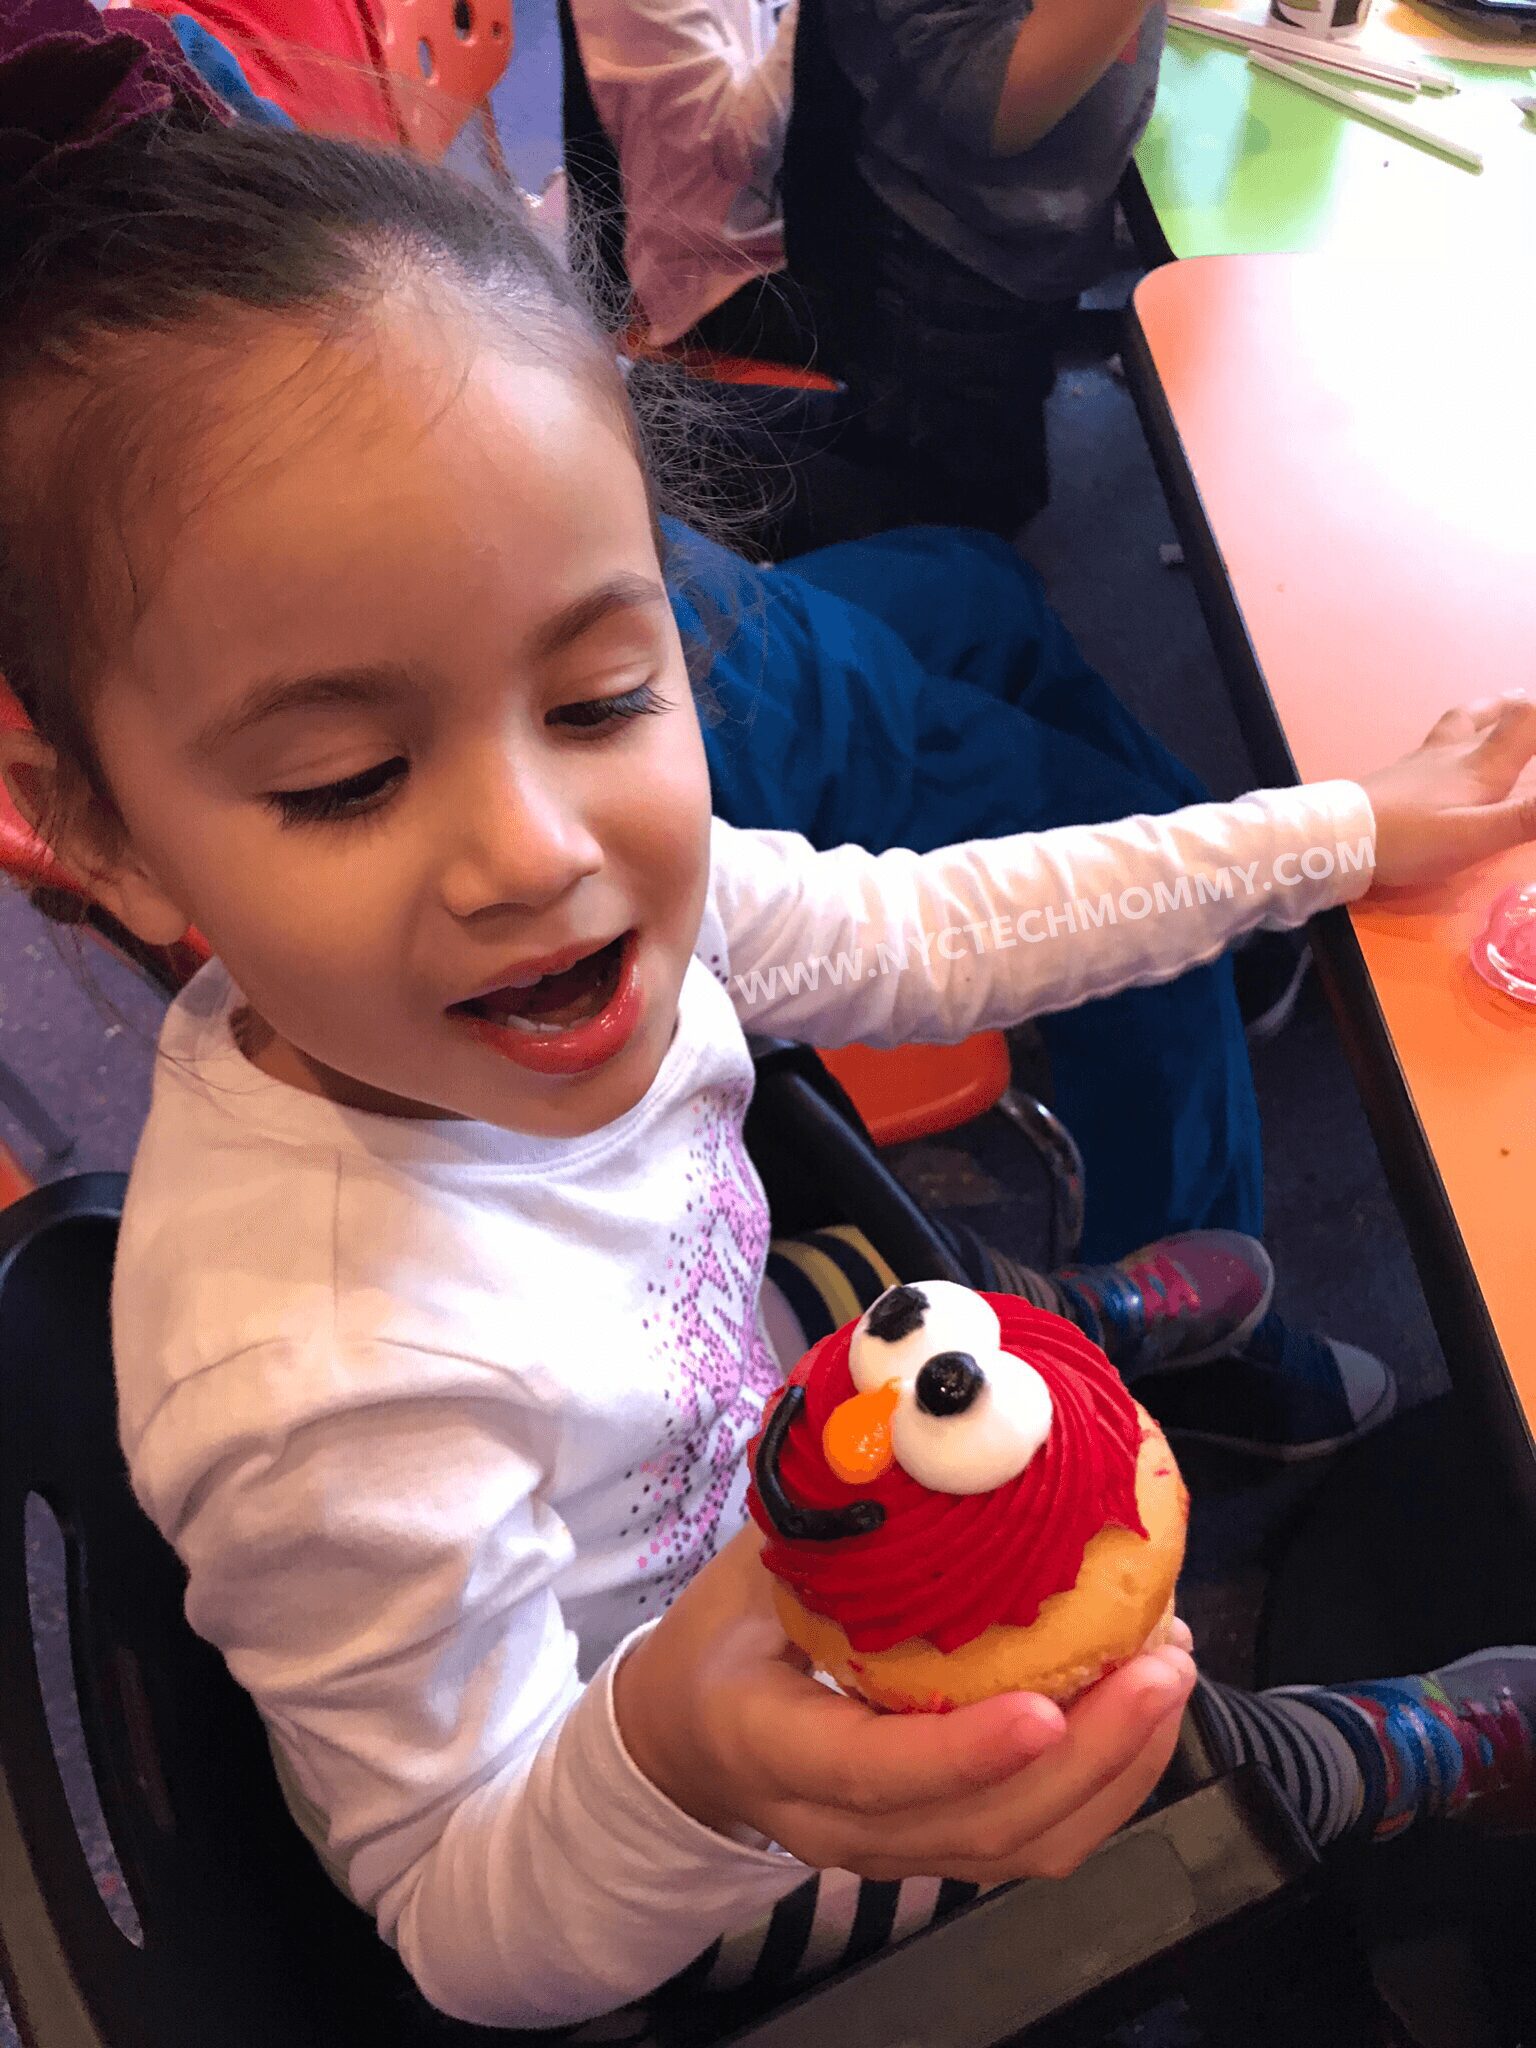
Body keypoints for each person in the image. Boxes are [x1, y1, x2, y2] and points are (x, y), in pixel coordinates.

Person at [3, 8, 1535, 2033]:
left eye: (597, 693)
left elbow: (935, 925)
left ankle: (1119, 1328)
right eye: (346, 780)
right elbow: (467, 1923)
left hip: (748, 1374)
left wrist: (1348, 830)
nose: (532, 848)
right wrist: (687, 1760)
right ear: (98, 836)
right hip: (702, 1786)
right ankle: (1353, 1759)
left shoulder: (571, 910)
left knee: (896, 1276)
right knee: (1140, 1749)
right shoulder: (328, 1395)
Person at [780, 0, 1167, 535]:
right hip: (950, 244)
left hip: (1015, 228)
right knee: (957, 505)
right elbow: (991, 101)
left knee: (972, 438)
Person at [565, 0, 812, 360]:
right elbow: (740, 153)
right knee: (916, 310)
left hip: (785, 245)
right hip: (718, 284)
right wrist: (815, 20)